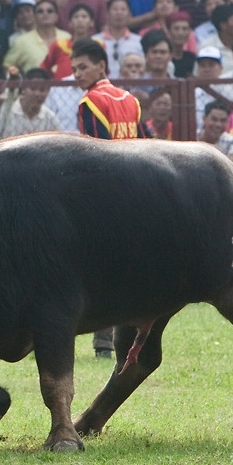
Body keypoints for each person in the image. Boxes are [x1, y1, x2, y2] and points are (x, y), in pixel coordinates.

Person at [71, 37, 145, 357]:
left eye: (82, 67)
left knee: (96, 265)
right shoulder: (131, 99)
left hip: (106, 192)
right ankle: (134, 335)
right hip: (134, 188)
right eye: (73, 69)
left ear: (101, 65)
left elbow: (94, 152)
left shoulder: (90, 103)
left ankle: (103, 341)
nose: (76, 73)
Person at [5, 0, 71, 73]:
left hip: (64, 84)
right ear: (35, 16)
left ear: (56, 16)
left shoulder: (67, 37)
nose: (45, 14)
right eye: (40, 11)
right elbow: (8, 65)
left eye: (50, 11)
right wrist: (18, 81)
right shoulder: (22, 41)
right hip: (32, 84)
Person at [0, 67, 61, 139]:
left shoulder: (50, 118)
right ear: (23, 89)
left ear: (48, 92)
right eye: (33, 88)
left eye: (42, 90)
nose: (37, 94)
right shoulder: (8, 111)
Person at [93, 0, 143, 80]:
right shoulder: (95, 41)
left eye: (123, 9)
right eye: (115, 9)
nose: (119, 13)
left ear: (130, 15)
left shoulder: (139, 41)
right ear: (107, 14)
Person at [197, 101, 233, 167]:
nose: (218, 124)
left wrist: (214, 154)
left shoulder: (229, 140)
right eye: (214, 120)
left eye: (223, 120)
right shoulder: (192, 135)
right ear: (204, 119)